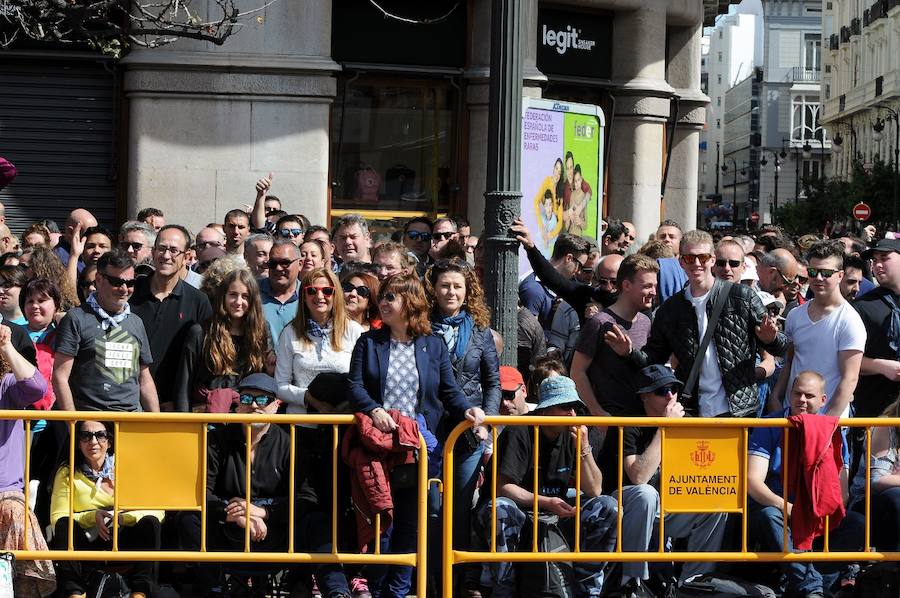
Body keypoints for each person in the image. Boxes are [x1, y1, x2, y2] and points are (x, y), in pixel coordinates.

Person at [348, 273, 485, 597]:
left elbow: (449, 391)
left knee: (413, 524)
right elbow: (354, 386)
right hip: (379, 447)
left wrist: (468, 410)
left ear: (411, 302)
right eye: (383, 297)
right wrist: (374, 410)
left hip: (419, 447)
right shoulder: (369, 342)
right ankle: (378, 587)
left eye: (391, 297)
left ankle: (399, 591)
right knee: (383, 522)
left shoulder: (432, 344)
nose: (383, 303)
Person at [179, 373, 352, 597]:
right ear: (237, 405)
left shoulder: (291, 441)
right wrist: (235, 514)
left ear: (276, 405)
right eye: (246, 399)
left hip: (279, 535)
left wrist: (263, 512)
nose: (253, 406)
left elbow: (307, 499)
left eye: (262, 400)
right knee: (188, 517)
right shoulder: (217, 440)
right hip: (229, 533)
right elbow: (200, 494)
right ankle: (215, 590)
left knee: (318, 522)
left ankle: (337, 591)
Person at [606, 229, 785, 417]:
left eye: (703, 257)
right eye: (690, 258)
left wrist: (771, 339)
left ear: (712, 260)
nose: (697, 264)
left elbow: (781, 348)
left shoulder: (742, 296)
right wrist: (629, 353)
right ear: (681, 262)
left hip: (739, 411)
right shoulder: (671, 309)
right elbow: (654, 358)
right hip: (692, 410)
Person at [471, 376, 617, 598]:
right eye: (565, 407)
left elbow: (595, 490)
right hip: (518, 511)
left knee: (608, 507)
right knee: (501, 509)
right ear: (545, 410)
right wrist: (545, 502)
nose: (572, 414)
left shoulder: (573, 434)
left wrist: (584, 448)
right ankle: (503, 590)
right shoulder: (520, 430)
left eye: (575, 407)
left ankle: (586, 589)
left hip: (554, 514)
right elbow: (502, 487)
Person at [611, 364, 727, 597]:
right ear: (644, 396)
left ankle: (692, 583)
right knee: (646, 494)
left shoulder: (686, 422)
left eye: (674, 389)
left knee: (718, 502)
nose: (671, 396)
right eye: (662, 390)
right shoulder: (629, 423)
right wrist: (665, 428)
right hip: (625, 507)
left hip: (667, 509)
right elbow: (638, 476)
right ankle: (632, 582)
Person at [748, 371, 864, 598]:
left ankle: (809, 584)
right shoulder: (770, 424)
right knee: (769, 516)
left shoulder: (832, 430)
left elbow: (842, 494)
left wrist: (814, 513)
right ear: (789, 395)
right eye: (797, 393)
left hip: (816, 511)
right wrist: (790, 509)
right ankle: (811, 588)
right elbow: (753, 482)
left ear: (823, 400)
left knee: (857, 524)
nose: (801, 399)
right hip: (778, 508)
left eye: (809, 395)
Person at [425, 258, 500, 568]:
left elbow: (492, 382)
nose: (451, 292)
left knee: (459, 508)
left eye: (457, 286)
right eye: (445, 285)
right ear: (434, 289)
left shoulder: (481, 331)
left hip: (469, 433)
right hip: (429, 428)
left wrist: (488, 423)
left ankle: (457, 579)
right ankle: (428, 577)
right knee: (431, 505)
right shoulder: (421, 326)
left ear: (468, 290)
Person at [276, 267, 362, 505]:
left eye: (327, 290)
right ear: (304, 296)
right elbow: (280, 385)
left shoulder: (353, 331)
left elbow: (361, 382)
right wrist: (312, 401)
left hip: (342, 427)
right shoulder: (290, 333)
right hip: (302, 429)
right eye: (312, 290)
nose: (319, 296)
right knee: (305, 498)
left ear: (336, 294)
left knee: (339, 496)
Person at [50, 421, 162, 598]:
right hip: (88, 540)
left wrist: (122, 518)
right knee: (65, 525)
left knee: (150, 522)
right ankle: (75, 593)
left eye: (100, 435)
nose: (93, 441)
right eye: (86, 436)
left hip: (125, 536)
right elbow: (58, 517)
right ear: (78, 443)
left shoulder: (129, 466)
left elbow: (158, 511)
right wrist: (92, 516)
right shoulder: (67, 471)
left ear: (109, 441)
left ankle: (140, 593)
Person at [53, 250, 159, 412]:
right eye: (117, 282)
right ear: (99, 280)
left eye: (130, 283)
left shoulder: (136, 322)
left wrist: (156, 424)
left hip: (130, 419)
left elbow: (145, 379)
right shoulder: (76, 318)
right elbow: (60, 377)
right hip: (91, 423)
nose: (124, 289)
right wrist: (73, 424)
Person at [771, 240, 865, 418]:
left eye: (827, 273)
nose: (819, 278)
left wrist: (826, 423)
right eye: (813, 272)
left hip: (829, 422)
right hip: (791, 417)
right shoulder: (795, 315)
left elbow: (850, 379)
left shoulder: (850, 320)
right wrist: (776, 396)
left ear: (840, 276)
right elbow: (789, 362)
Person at [129, 225, 213, 411]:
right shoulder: (130, 292)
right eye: (162, 248)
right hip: (129, 403)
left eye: (174, 250)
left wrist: (182, 400)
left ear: (187, 257)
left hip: (175, 406)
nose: (166, 256)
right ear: (153, 251)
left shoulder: (198, 300)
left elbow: (203, 359)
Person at [0, 323, 55, 598]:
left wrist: (6, 347)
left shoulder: (7, 385)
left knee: (14, 513)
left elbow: (37, 387)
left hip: (4, 494)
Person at [571, 254, 658, 416]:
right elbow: (577, 372)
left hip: (640, 421)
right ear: (626, 285)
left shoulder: (646, 322)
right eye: (647, 286)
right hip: (609, 421)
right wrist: (597, 412)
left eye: (655, 286)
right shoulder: (600, 323)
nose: (653, 292)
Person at [176, 268, 273, 412]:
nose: (238, 302)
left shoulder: (260, 332)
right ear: (223, 296)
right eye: (233, 295)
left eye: (245, 296)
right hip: (206, 417)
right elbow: (184, 383)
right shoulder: (200, 332)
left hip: (245, 416)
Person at [854, 238, 900, 420]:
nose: (878, 265)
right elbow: (845, 358)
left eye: (884, 257)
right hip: (875, 410)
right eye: (874, 260)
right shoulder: (862, 306)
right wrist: (881, 366)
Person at [518, 232, 591, 332]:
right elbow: (527, 336)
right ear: (568, 258)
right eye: (580, 266)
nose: (579, 272)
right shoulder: (534, 289)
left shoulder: (569, 286)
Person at [260, 239, 301, 343]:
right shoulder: (252, 291)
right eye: (273, 263)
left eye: (285, 263)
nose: (278, 268)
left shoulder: (310, 295)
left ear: (300, 264)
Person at [55, 209, 98, 274]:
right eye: (89, 233)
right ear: (71, 232)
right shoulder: (59, 260)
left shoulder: (82, 254)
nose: (94, 238)